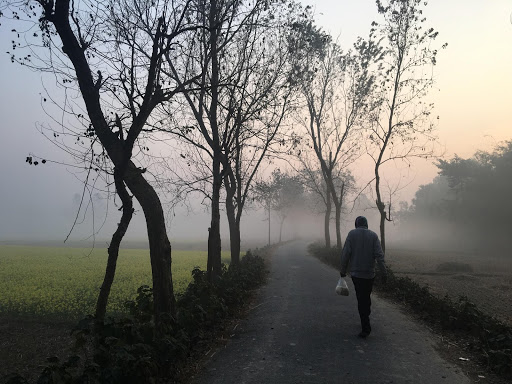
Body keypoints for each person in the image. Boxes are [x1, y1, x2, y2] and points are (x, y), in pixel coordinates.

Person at [340, 216, 387, 338]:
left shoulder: (352, 234)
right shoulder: (374, 236)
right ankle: (366, 314)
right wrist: (384, 273)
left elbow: (346, 253)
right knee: (365, 297)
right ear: (366, 224)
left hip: (356, 274)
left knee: (361, 299)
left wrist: (343, 270)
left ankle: (366, 327)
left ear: (356, 224)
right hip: (369, 274)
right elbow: (379, 256)